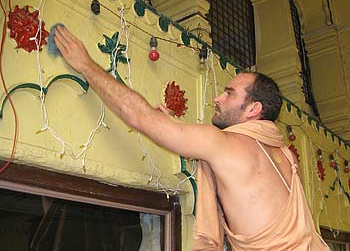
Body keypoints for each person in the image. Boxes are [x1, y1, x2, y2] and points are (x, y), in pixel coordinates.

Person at [54, 26, 330, 250]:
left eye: (230, 93)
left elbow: (139, 117)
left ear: (253, 109)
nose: (217, 98)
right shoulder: (286, 156)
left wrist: (86, 65)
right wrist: (172, 124)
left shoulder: (225, 145)